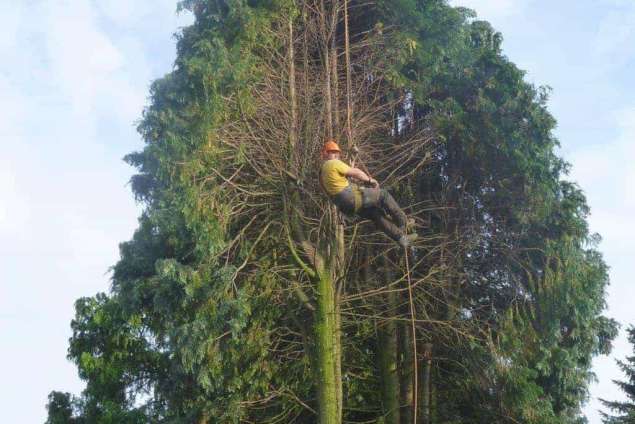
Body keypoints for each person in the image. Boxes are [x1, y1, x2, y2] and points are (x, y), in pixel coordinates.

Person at [319, 139, 416, 250]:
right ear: (326, 153)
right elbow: (356, 172)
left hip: (346, 207)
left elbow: (334, 189)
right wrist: (370, 180)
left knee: (375, 214)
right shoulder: (333, 163)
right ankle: (404, 222)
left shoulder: (321, 174)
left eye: (337, 153)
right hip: (351, 198)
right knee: (383, 195)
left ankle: (401, 238)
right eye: (333, 152)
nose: (336, 155)